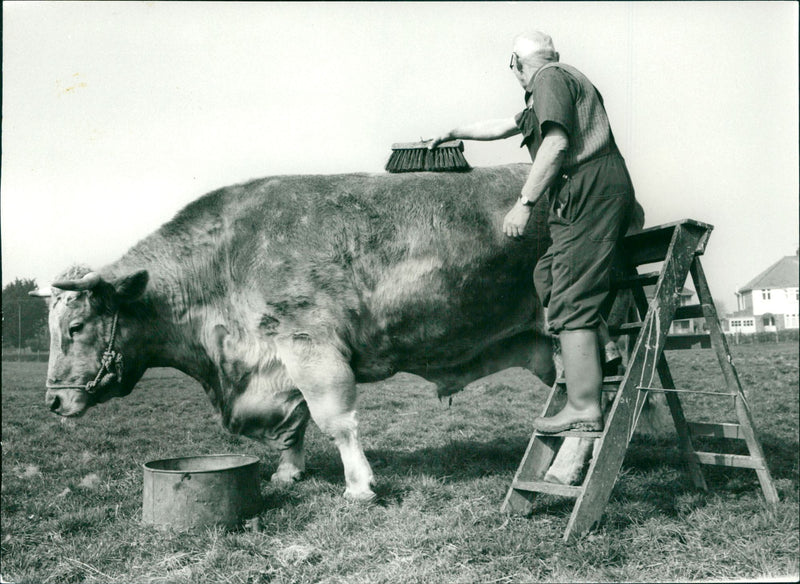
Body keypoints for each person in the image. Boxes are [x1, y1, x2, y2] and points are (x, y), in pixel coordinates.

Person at [429, 31, 637, 433]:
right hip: (577, 194)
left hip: (589, 189)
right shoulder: (549, 86)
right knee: (547, 275)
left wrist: (523, 203)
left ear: (517, 64)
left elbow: (556, 143)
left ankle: (582, 406)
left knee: (573, 296)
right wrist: (455, 131)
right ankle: (604, 344)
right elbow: (505, 126)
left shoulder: (550, 79)